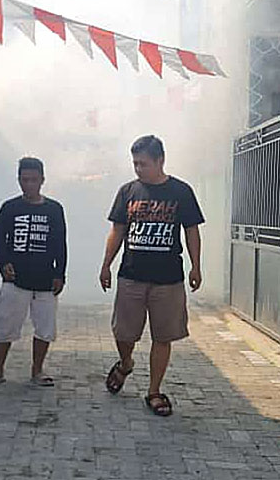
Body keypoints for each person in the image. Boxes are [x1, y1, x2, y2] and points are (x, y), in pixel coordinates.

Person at [99, 135, 204, 417]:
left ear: (160, 160)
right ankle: (125, 363)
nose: (138, 169)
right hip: (131, 274)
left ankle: (154, 391)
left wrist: (196, 266)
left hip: (168, 278)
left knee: (163, 336)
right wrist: (106, 264)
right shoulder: (127, 192)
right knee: (123, 331)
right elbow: (117, 230)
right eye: (135, 163)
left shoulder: (181, 191)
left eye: (143, 163)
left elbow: (191, 230)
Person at [0, 157, 67, 388]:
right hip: (15, 280)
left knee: (45, 329)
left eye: (33, 180)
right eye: (24, 180)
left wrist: (60, 273)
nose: (29, 185)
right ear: (18, 180)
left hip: (46, 280)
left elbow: (60, 243)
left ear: (42, 180)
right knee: (5, 327)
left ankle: (37, 371)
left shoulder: (54, 209)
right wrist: (2, 264)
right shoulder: (10, 208)